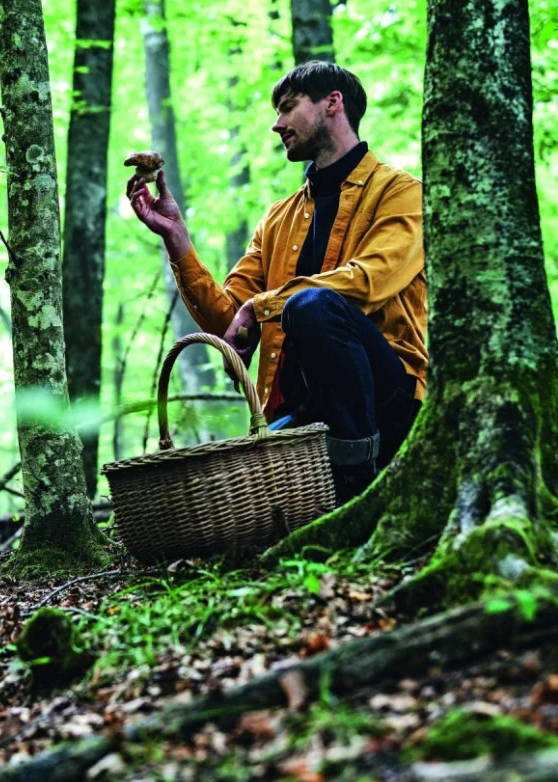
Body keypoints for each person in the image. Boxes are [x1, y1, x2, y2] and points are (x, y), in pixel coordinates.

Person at [127, 61, 426, 504]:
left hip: (389, 399)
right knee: (212, 489)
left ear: (332, 103)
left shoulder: (401, 193)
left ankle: (357, 484)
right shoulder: (278, 218)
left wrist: (264, 306)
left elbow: (370, 280)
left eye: (288, 108)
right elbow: (230, 323)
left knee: (312, 305)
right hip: (303, 413)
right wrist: (177, 239)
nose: (277, 124)